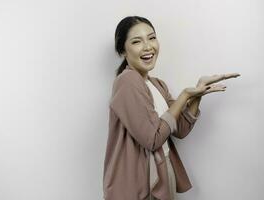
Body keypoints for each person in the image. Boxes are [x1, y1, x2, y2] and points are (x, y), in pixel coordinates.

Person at [103, 16, 240, 200]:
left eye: (152, 38)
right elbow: (152, 139)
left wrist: (196, 95)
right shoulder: (127, 81)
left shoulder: (157, 84)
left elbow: (180, 129)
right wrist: (184, 95)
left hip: (162, 173)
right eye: (137, 41)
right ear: (122, 51)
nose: (148, 46)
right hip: (136, 184)